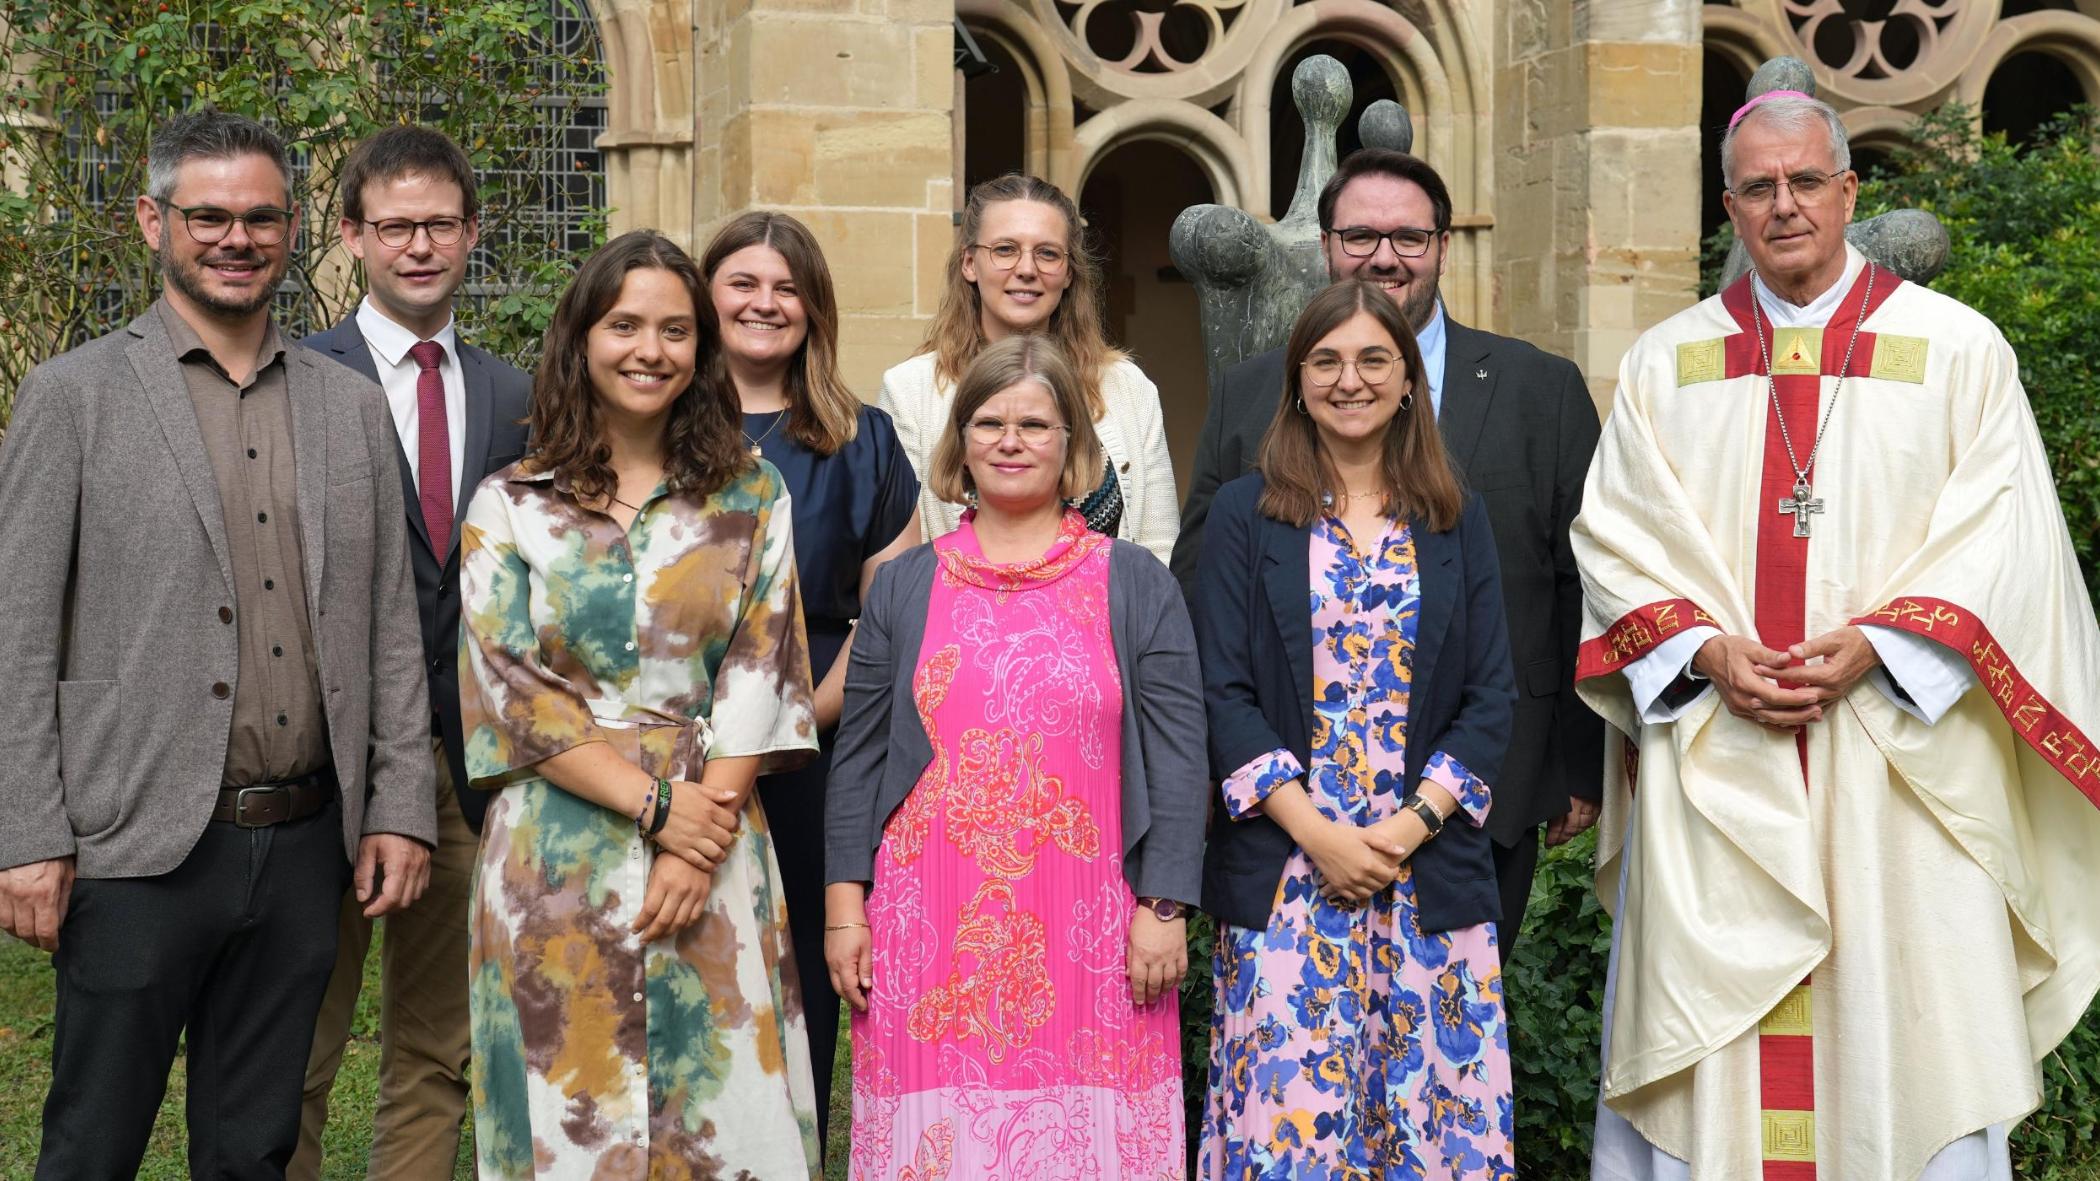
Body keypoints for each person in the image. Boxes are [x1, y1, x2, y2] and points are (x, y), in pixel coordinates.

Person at [1577, 91, 2100, 1181]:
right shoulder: (1667, 365)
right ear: (1730, 205)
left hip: (1900, 769)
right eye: (1758, 187)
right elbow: (1614, 540)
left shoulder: (1956, 350)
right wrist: (1709, 651)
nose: (1784, 205)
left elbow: (2008, 536)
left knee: (1913, 1025)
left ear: (1849, 191)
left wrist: (1879, 644)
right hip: (1720, 757)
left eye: (1806, 180)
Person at [0, 111, 435, 1179]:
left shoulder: (351, 409)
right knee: (92, 1144)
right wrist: (26, 834)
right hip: (133, 844)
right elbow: (14, 633)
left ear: (293, 230)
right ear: (154, 221)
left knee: (253, 1149)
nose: (236, 238)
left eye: (261, 218)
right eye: (208, 216)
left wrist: (399, 806)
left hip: (303, 847)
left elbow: (389, 625)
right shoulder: (72, 397)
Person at [457, 229, 821, 1178]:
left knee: (725, 1124)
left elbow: (762, 670)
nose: (649, 350)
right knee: (569, 1125)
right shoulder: (510, 504)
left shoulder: (752, 494)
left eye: (674, 329)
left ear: (701, 347)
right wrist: (659, 811)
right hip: (556, 853)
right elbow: (511, 692)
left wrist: (697, 841)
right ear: (581, 338)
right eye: (624, 325)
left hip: (714, 840)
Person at [1173, 148, 1601, 948]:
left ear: (1442, 245)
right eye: (1360, 235)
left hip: (1485, 792)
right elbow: (1200, 593)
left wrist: (1581, 765)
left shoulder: (1540, 387)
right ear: (1327, 246)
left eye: (1408, 236)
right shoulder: (1254, 390)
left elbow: (1580, 580)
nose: (1384, 256)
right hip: (1281, 813)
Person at [825, 334, 1207, 1179]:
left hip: (1098, 934)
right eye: (989, 422)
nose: (1010, 440)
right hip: (928, 931)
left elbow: (1181, 755)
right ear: (959, 442)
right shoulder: (905, 585)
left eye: (1034, 424)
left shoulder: (1136, 581)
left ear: (1073, 444)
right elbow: (857, 760)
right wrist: (844, 909)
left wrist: (1166, 904)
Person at [1194, 279, 1518, 1178]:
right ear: (1298, 382)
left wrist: (1408, 828)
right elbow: (1222, 690)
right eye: (1327, 361)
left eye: (1375, 359)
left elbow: (1492, 694)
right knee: (1290, 1131)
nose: (1351, 379)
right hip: (1289, 877)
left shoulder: (1455, 517)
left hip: (1426, 877)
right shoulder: (1246, 514)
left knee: (1430, 1130)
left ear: (1408, 379)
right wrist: (1322, 837)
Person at [294, 123, 531, 1181]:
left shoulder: (517, 395)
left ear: (473, 231)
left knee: (439, 1047)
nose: (419, 245)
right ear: (352, 235)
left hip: (471, 766)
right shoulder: (297, 378)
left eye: (440, 223)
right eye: (395, 226)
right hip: (328, 763)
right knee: (296, 1040)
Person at [700, 209, 920, 1143]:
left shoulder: (864, 440)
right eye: (744, 283)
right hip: (669, 757)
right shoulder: (658, 423)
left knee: (796, 992)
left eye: (787, 287)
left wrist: (785, 725)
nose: (766, 303)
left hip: (813, 754)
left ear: (815, 307)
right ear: (706, 297)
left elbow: (890, 621)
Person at [880, 173, 1179, 563]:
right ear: (969, 263)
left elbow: (1161, 550)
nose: (1026, 269)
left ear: (1069, 272)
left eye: (1048, 253)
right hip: (960, 602)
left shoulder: (1127, 387)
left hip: (1111, 603)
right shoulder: (910, 390)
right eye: (1005, 250)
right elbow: (905, 566)